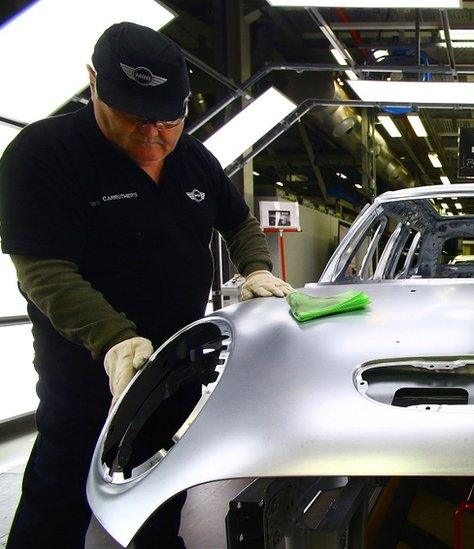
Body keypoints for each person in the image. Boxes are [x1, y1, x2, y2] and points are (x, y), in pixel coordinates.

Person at [0, 22, 292, 548]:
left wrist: (255, 268)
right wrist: (113, 339)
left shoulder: (195, 161)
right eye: (135, 119)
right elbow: (42, 268)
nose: (154, 135)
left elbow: (239, 220)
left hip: (176, 361)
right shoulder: (44, 154)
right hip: (89, 366)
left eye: (170, 120)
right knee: (61, 490)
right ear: (94, 84)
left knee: (161, 485)